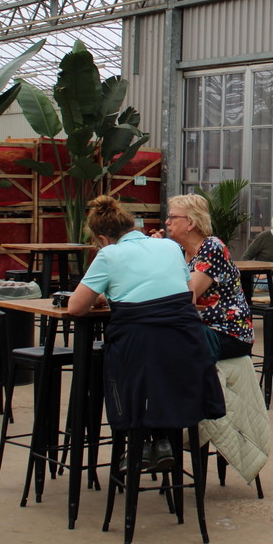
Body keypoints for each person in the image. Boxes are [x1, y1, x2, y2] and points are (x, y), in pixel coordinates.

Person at [68, 196, 224, 473]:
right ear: (132, 226)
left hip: (137, 347)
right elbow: (188, 296)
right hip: (186, 348)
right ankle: (161, 440)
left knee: (129, 362)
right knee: (154, 362)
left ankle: (135, 441)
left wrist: (107, 296)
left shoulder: (108, 255)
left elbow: (76, 307)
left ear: (103, 238)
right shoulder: (169, 246)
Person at [163, 194, 254, 360]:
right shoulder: (179, 251)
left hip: (226, 332)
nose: (167, 222)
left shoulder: (212, 246)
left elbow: (187, 294)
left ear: (191, 223)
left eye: (173, 217)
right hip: (198, 327)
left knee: (163, 342)